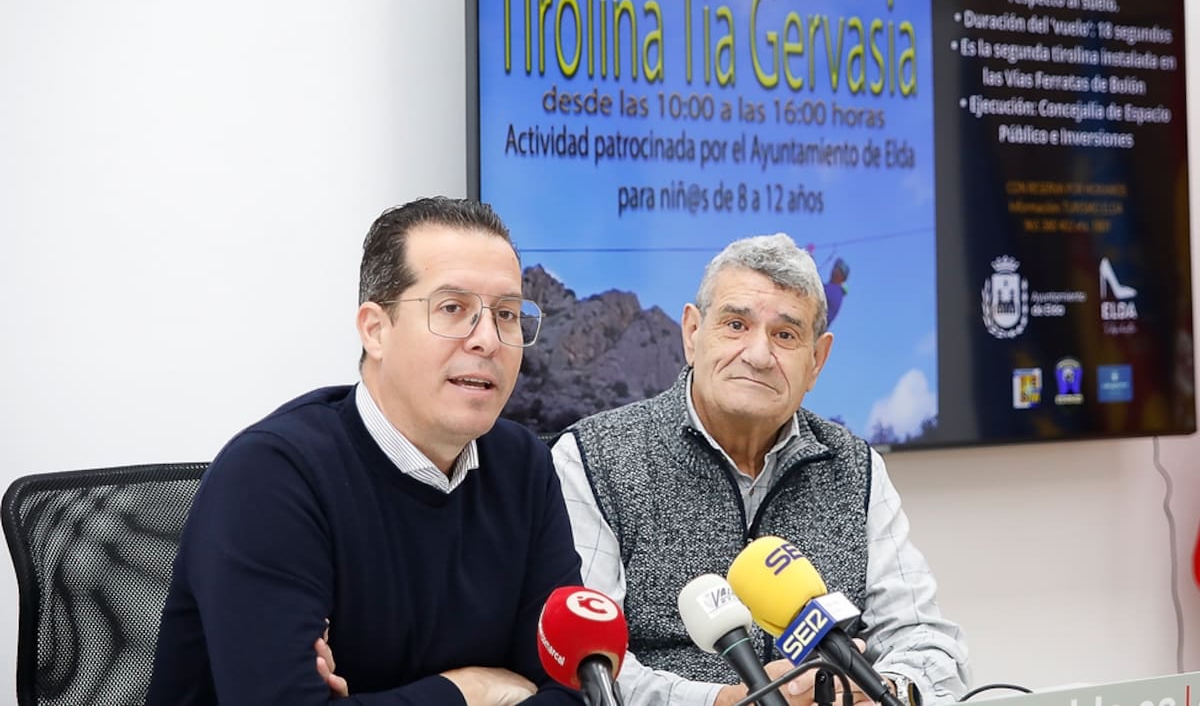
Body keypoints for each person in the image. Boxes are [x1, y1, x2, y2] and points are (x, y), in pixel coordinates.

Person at [147, 196, 584, 705]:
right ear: (376, 330)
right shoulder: (270, 477)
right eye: (453, 309)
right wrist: (467, 692)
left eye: (506, 314)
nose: (487, 339)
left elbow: (577, 686)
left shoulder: (523, 466)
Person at [551, 233, 970, 706]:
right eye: (736, 325)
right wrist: (727, 702)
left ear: (817, 360)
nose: (758, 355)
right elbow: (588, 668)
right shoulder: (593, 458)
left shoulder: (857, 468)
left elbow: (927, 641)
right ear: (692, 334)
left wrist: (882, 690)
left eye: (785, 335)